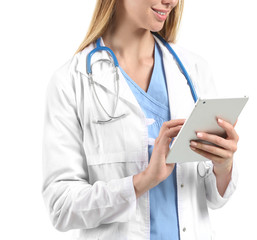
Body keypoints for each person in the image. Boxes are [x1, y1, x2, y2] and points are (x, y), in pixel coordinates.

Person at [42, 0, 239, 239]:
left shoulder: (193, 70)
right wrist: (142, 181)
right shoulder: (71, 82)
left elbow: (213, 198)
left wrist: (223, 165)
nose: (172, 2)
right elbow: (61, 206)